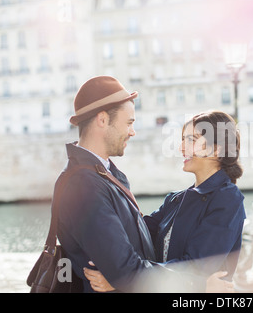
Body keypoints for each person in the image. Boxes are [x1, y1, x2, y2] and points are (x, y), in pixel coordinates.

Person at [56, 76, 230, 293]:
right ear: (102, 119)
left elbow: (135, 247)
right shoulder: (83, 184)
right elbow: (125, 271)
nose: (132, 131)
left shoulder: (101, 175)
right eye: (129, 123)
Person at [84, 111, 246, 292]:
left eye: (192, 140)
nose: (181, 148)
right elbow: (136, 233)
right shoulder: (175, 199)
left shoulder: (228, 199)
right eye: (183, 139)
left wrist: (123, 279)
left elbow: (196, 268)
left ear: (217, 149)